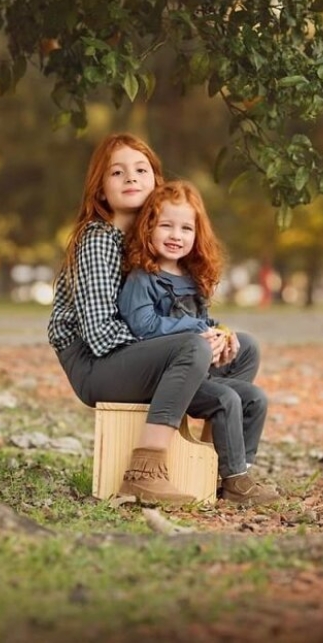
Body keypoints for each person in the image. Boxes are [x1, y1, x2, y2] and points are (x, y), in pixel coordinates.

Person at [48, 133, 227, 506]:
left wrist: (215, 337)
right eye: (117, 172)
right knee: (193, 344)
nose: (131, 178)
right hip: (95, 365)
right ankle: (144, 470)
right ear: (100, 191)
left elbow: (177, 317)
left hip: (131, 355)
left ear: (157, 183)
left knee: (242, 349)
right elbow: (98, 336)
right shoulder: (99, 240)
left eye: (141, 170)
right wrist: (186, 340)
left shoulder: (149, 243)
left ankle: (223, 466)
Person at [119, 180, 279, 506]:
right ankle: (235, 481)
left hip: (196, 370)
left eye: (186, 228)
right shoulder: (141, 279)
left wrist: (221, 340)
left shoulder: (193, 280)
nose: (176, 236)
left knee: (253, 389)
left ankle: (235, 472)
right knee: (226, 399)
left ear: (197, 234)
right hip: (162, 378)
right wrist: (198, 329)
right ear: (148, 229)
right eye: (166, 226)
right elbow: (143, 327)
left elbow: (202, 326)